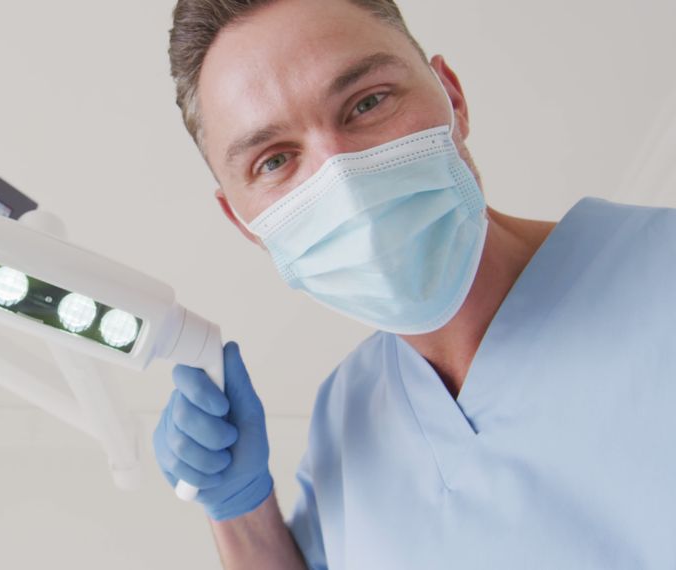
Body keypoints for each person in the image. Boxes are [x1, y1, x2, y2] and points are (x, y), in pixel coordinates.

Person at [152, 0, 676, 568]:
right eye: (275, 161)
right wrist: (238, 508)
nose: (342, 177)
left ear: (452, 97)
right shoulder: (346, 415)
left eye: (367, 103)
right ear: (244, 223)